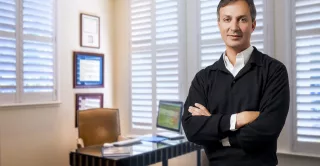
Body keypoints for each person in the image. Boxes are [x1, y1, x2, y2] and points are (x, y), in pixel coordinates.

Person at [182, 0, 290, 166]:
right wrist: (237, 119)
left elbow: (267, 131)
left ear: (253, 25)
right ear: (219, 24)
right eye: (227, 19)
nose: (234, 27)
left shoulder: (274, 71)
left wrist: (215, 131)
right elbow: (192, 129)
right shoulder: (203, 78)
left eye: (242, 19)